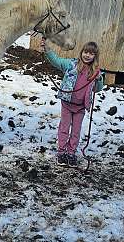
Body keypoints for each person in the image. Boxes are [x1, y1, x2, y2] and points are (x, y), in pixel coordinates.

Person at [40, 38, 104, 167]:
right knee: (64, 128)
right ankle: (61, 152)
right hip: (67, 104)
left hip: (80, 107)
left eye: (91, 54)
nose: (87, 55)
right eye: (86, 52)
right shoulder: (71, 64)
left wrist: (100, 79)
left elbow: (97, 89)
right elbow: (56, 61)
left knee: (76, 130)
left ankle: (71, 152)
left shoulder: (95, 71)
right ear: (81, 52)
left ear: (95, 56)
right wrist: (47, 50)